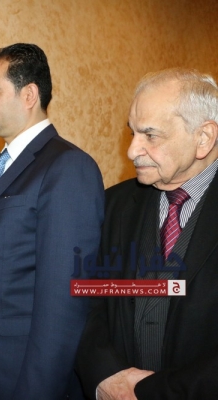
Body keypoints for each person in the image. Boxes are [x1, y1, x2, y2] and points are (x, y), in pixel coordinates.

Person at [0, 43, 104, 399]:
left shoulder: (68, 167)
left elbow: (63, 304)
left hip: (21, 376)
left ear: (29, 95)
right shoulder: (7, 162)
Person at [76, 68, 218, 399]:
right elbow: (86, 302)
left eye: (150, 135)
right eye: (133, 133)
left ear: (203, 138)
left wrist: (150, 392)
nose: (132, 151)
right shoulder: (113, 203)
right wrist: (105, 376)